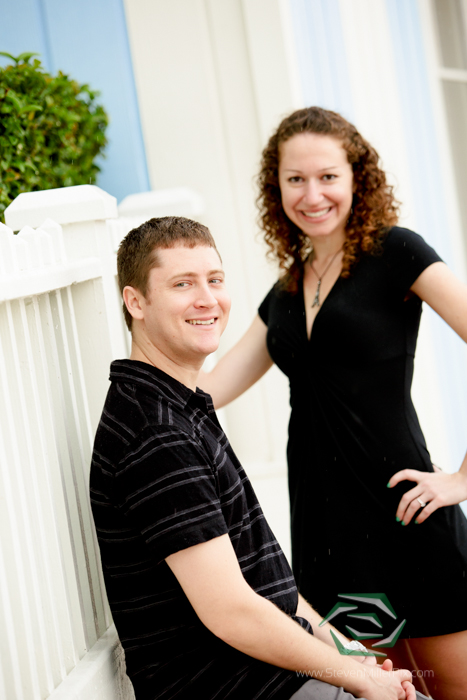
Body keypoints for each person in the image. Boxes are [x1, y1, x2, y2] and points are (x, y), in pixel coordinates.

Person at [89, 216, 419, 700]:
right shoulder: (156, 433)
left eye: (215, 280)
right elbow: (231, 611)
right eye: (183, 284)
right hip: (239, 687)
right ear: (136, 301)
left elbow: (271, 588)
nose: (207, 299)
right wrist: (357, 678)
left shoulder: (183, 406)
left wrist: (358, 657)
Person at [199, 107, 467, 700]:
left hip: (407, 514)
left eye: (327, 176)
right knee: (381, 695)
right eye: (295, 179)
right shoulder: (292, 283)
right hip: (328, 532)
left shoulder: (396, 253)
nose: (311, 194)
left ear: (356, 178)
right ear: (278, 188)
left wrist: (462, 478)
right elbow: (211, 390)